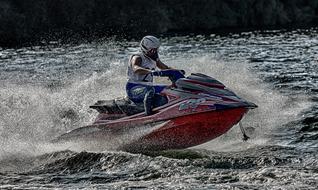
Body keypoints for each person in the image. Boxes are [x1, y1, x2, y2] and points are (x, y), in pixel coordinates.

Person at [126, 35, 172, 115]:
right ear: (145, 48)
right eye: (152, 50)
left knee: (170, 87)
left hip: (148, 86)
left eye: (156, 49)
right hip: (134, 88)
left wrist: (176, 71)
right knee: (151, 91)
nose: (155, 52)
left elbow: (164, 67)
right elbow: (136, 68)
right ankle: (148, 115)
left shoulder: (154, 58)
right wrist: (151, 71)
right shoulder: (137, 57)